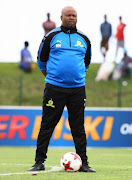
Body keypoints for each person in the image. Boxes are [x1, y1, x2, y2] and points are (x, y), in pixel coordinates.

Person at [28, 6, 96, 173]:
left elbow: (86, 64)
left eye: (74, 15)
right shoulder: (51, 36)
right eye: (68, 15)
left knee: (78, 126)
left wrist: (75, 77)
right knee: (47, 125)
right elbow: (41, 61)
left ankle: (84, 163)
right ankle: (39, 162)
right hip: (54, 89)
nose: (71, 17)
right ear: (61, 17)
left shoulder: (84, 39)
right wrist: (53, 78)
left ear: (77, 18)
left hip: (77, 90)